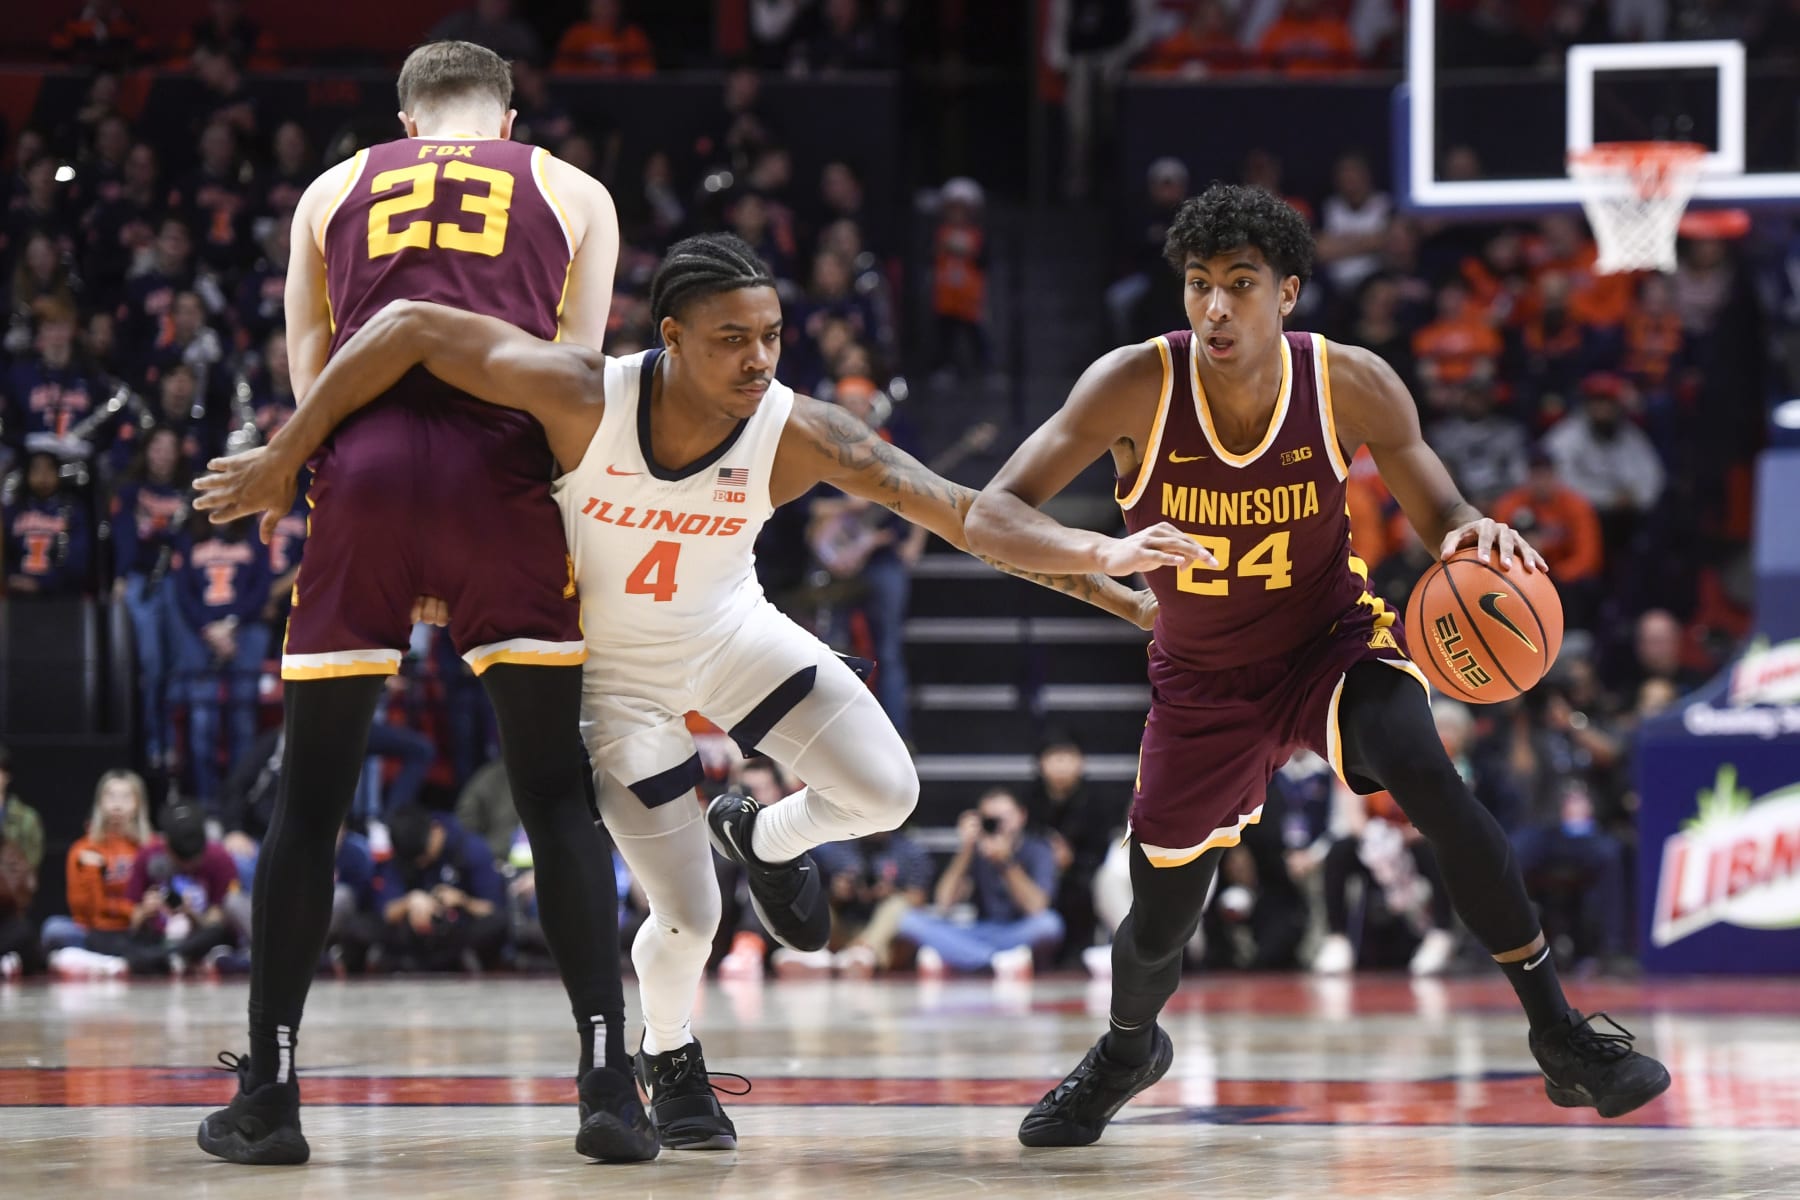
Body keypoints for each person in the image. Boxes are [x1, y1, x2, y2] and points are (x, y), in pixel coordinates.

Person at [195, 231, 1158, 1152]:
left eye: (772, 336)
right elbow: (406, 325)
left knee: (889, 791)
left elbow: (964, 517)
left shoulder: (800, 430)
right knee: (690, 918)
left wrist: (1124, 594)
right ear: (671, 339)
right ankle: (669, 1052)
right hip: (615, 688)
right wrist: (290, 456)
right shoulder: (581, 394)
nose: (760, 361)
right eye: (733, 340)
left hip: (735, 637)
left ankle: (762, 837)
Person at [962, 183, 1670, 1146]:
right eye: (1200, 284)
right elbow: (990, 513)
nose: (1215, 307)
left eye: (1240, 285)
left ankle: (1559, 1032)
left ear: (1289, 292)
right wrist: (1103, 551)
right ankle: (1129, 1049)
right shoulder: (1133, 383)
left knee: (1428, 773)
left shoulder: (1352, 383)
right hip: (1201, 684)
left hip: (1328, 646)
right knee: (1159, 924)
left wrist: (1476, 532)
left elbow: (1443, 513)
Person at [187, 40, 656, 1167]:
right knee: (555, 800)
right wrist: (495, 526)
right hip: (504, 481)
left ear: (405, 117)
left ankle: (273, 1096)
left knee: (309, 808)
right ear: (506, 115)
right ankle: (607, 1087)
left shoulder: (330, 186)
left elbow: (314, 374)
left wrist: (332, 486)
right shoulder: (572, 188)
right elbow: (571, 382)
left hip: (367, 479)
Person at [897, 787, 1064, 978]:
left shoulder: (1038, 849)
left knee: (1050, 924)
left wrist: (1006, 863)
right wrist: (966, 849)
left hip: (1020, 930)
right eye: (990, 819)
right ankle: (996, 961)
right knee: (908, 921)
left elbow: (1036, 907)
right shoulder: (974, 850)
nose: (997, 825)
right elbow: (944, 902)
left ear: (1021, 816)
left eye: (1004, 818)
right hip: (980, 930)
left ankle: (962, 957)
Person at [111, 427, 192, 766]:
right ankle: (151, 747)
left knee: (180, 663)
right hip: (140, 580)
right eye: (157, 448)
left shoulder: (186, 493)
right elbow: (123, 537)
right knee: (151, 664)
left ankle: (173, 748)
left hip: (177, 583)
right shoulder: (131, 492)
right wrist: (121, 574)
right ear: (147, 452)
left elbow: (188, 541)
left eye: (169, 448)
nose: (163, 454)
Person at [370, 803, 510, 972]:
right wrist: (409, 902)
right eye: (416, 860)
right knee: (365, 926)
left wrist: (463, 901)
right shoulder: (405, 851)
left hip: (460, 931)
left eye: (424, 855)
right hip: (417, 934)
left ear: (435, 831)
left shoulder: (471, 849)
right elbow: (386, 910)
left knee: (497, 925)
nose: (421, 863)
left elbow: (493, 909)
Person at [43, 769, 152, 954]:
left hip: (136, 930)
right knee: (54, 929)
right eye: (111, 797)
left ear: (138, 804)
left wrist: (146, 911)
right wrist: (92, 872)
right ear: (100, 803)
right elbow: (84, 913)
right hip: (95, 931)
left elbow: (153, 902)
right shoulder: (83, 849)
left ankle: (98, 960)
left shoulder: (150, 847)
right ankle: (115, 959)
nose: (117, 805)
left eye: (126, 798)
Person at [4, 451, 91, 596]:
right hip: (17, 595)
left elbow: (78, 559)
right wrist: (10, 577)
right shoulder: (13, 511)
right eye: (36, 469)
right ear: (27, 474)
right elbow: (6, 552)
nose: (43, 476)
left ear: (58, 473)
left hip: (62, 595)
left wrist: (43, 583)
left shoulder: (73, 510)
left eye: (49, 469)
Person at [0, 747, 46, 977]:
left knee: (25, 934)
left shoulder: (26, 819)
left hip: (8, 911)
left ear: (6, 775)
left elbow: (28, 875)